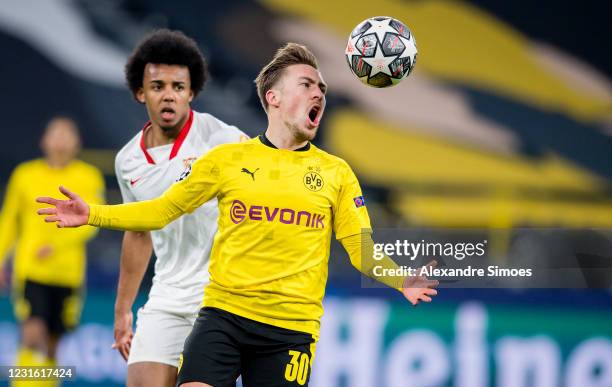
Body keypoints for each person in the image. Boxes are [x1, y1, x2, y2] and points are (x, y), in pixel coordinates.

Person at [36, 43, 438, 387]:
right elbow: (161, 212)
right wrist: (94, 214)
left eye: (322, 88)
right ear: (273, 98)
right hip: (222, 319)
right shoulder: (227, 161)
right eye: (307, 84)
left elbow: (359, 249)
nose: (319, 93)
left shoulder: (336, 174)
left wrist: (401, 278)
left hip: (289, 332)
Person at [112, 29, 247, 387]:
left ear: (192, 92)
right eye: (157, 86)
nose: (168, 95)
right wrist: (123, 308)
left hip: (221, 301)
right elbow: (138, 233)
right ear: (141, 93)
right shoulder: (127, 161)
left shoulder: (224, 139)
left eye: (177, 86)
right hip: (167, 297)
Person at [0, 117, 105, 387]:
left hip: (68, 274)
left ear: (77, 142)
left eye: (66, 134)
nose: (60, 140)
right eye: (55, 134)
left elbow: (92, 222)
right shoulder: (25, 175)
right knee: (33, 332)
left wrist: (57, 245)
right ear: (44, 140)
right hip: (31, 270)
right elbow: (9, 221)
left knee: (52, 344)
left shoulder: (88, 176)